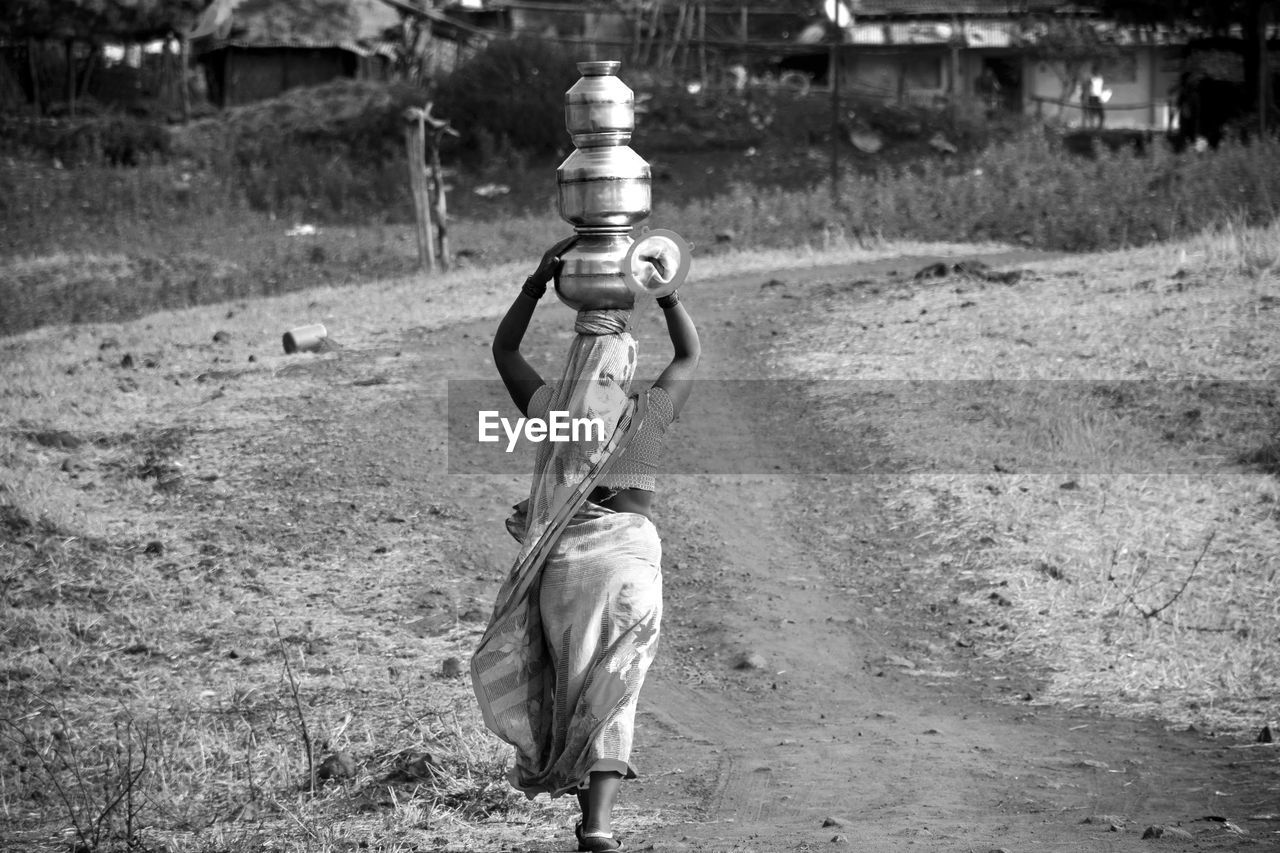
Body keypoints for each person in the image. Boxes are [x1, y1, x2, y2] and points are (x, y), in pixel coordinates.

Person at [471, 235, 700, 853]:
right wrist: (665, 292)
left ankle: (587, 818)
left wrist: (536, 282)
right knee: (614, 683)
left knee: (573, 685)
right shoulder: (644, 414)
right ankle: (597, 825)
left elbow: (504, 348)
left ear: (577, 367)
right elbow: (688, 353)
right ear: (623, 368)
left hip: (566, 569)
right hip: (627, 564)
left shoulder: (550, 409)